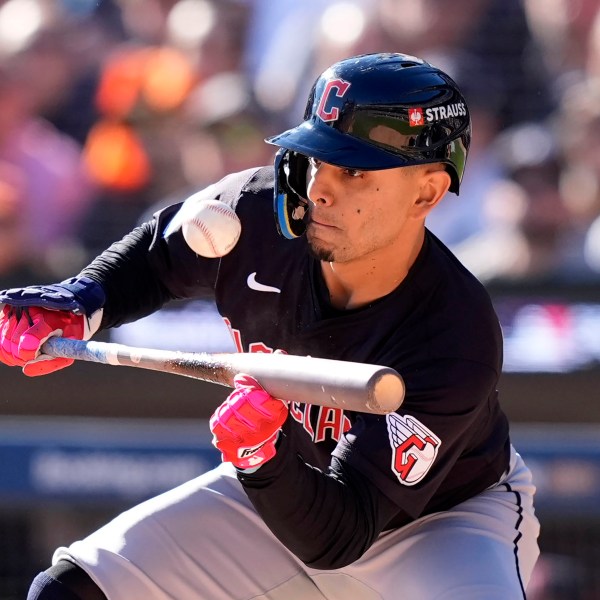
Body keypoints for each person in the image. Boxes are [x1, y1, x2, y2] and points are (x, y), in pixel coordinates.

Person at [0, 53, 540, 600]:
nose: (321, 188)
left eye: (353, 170)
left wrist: (261, 454)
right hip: (286, 482)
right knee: (71, 591)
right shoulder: (253, 213)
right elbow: (156, 257)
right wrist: (80, 302)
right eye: (316, 159)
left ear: (425, 191)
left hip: (440, 522)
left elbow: (341, 533)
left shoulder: (455, 334)